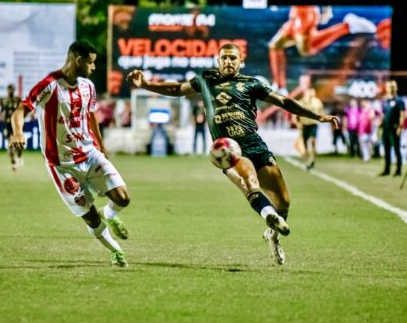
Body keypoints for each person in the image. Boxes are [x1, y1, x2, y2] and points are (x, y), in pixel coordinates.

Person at [127, 43, 339, 265]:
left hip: (255, 144)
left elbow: (283, 101)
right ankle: (267, 214)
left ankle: (272, 234)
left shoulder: (252, 83)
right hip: (228, 148)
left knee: (284, 202)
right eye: (224, 58)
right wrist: (146, 84)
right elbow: (177, 89)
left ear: (241, 61)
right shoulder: (206, 79)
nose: (228, 62)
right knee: (249, 182)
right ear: (218, 61)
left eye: (233, 58)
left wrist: (317, 117)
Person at [9, 40, 131, 267]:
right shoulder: (49, 85)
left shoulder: (88, 87)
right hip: (62, 165)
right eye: (91, 63)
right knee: (90, 216)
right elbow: (20, 110)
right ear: (78, 60)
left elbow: (91, 116)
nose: (93, 67)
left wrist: (101, 147)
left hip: (90, 154)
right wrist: (18, 132)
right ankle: (116, 251)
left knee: (123, 198)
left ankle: (109, 214)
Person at [269, 6, 377, 91]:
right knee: (275, 45)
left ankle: (347, 26)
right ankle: (280, 86)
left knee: (307, 49)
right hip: (296, 13)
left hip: (305, 13)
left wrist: (326, 10)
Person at [379, 80, 405, 177]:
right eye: (389, 87)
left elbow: (402, 115)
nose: (390, 88)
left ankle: (398, 170)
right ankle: (387, 169)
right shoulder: (385, 101)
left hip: (394, 128)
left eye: (392, 87)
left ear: (395, 88)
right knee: (386, 150)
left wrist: (400, 127)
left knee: (396, 149)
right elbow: (383, 114)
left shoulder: (399, 101)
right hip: (386, 129)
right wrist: (380, 125)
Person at [296, 88, 324, 170]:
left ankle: (312, 159)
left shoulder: (317, 102)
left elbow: (321, 112)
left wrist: (321, 118)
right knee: (305, 143)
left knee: (312, 141)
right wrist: (298, 124)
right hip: (305, 125)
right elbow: (297, 113)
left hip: (313, 124)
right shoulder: (302, 101)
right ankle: (308, 158)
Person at [1, 84, 23, 170]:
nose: (10, 91)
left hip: (17, 125)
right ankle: (13, 163)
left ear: (14, 90)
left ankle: (19, 157)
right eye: (9, 90)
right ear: (7, 90)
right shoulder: (4, 100)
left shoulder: (18, 100)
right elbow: (2, 112)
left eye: (12, 90)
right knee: (10, 145)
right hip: (8, 126)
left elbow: (22, 110)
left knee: (19, 145)